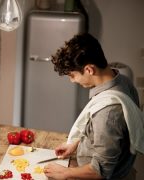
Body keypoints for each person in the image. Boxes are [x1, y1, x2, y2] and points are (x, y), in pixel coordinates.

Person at [43, 33, 144, 179]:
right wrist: (76, 143)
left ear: (89, 70)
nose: (72, 81)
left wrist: (65, 173)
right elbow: (108, 134)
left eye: (72, 75)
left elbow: (100, 170)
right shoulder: (123, 80)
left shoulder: (108, 113)